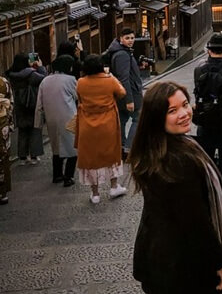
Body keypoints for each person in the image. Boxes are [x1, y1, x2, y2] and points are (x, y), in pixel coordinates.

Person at [129, 81, 222, 294]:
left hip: (159, 258)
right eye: (172, 110)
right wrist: (220, 263)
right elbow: (196, 222)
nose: (184, 113)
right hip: (187, 263)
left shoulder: (156, 151)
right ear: (157, 117)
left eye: (185, 104)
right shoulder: (180, 159)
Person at [193, 33, 222, 207]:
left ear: (209, 50)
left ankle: (208, 204)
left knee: (207, 166)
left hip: (204, 125)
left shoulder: (198, 70)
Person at [75, 54, 127, 204]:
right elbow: (122, 93)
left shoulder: (81, 82)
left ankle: (95, 193)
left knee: (91, 157)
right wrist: (110, 75)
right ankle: (114, 186)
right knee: (111, 153)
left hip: (87, 123)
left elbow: (79, 97)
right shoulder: (109, 80)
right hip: (108, 122)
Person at [35, 55, 78, 187]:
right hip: (69, 116)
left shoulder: (45, 80)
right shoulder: (70, 79)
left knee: (56, 147)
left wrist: (37, 123)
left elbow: (39, 104)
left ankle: (57, 175)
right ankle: (68, 177)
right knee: (72, 148)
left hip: (51, 117)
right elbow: (77, 95)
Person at [105, 28, 143, 156]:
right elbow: (124, 78)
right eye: (127, 38)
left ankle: (121, 146)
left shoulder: (122, 52)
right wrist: (129, 100)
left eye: (132, 38)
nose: (131, 40)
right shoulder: (122, 54)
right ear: (120, 39)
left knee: (122, 119)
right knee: (139, 119)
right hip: (130, 93)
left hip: (121, 94)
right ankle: (128, 147)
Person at [6, 52, 47, 165]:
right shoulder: (30, 74)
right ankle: (34, 156)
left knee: (23, 131)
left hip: (19, 106)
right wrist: (40, 67)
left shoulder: (12, 75)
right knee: (35, 130)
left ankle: (23, 157)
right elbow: (44, 79)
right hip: (32, 104)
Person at [0, 77, 14, 204]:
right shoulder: (3, 82)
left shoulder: (3, 82)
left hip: (1, 123)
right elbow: (10, 104)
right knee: (2, 156)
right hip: (2, 122)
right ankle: (2, 192)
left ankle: (2, 191)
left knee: (2, 156)